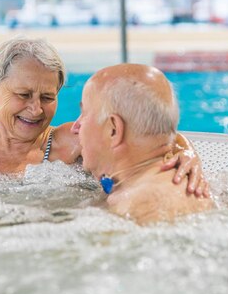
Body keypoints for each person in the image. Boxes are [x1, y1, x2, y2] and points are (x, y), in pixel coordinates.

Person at [0, 36, 209, 197]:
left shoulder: (69, 142)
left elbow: (148, 133)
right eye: (23, 95)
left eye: (47, 97)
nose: (36, 110)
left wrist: (186, 153)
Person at [71, 64, 216, 225]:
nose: (75, 126)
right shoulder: (148, 188)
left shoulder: (141, 207)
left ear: (113, 129)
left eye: (84, 114)